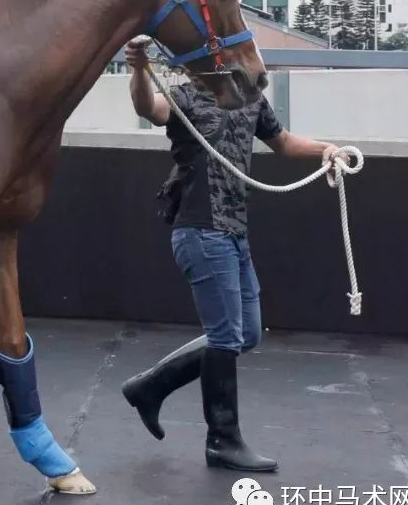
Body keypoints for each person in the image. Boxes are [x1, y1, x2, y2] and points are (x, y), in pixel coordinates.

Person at [120, 38, 337, 473]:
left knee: (247, 334)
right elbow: (149, 109)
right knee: (225, 338)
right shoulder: (185, 98)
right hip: (201, 232)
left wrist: (328, 151)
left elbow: (284, 142)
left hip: (234, 234)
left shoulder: (251, 98)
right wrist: (139, 67)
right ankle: (222, 441)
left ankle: (150, 386)